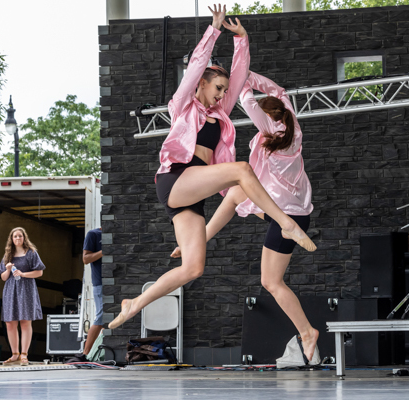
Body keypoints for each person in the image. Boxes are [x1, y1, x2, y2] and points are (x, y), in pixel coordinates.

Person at [109, 4, 316, 330]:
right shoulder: (182, 105)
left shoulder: (220, 112)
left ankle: (134, 303)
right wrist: (214, 30)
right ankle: (286, 223)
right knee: (241, 171)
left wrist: (242, 40)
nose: (222, 94)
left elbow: (238, 78)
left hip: (194, 193)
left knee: (193, 269)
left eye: (223, 90)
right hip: (177, 178)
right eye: (216, 88)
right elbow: (194, 66)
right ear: (202, 84)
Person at [172, 71, 319, 363]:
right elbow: (278, 88)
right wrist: (248, 75)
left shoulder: (270, 130)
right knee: (236, 195)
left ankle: (307, 333)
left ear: (267, 117)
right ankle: (198, 239)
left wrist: (240, 74)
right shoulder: (291, 124)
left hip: (286, 217)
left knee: (272, 282)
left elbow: (245, 97)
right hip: (289, 210)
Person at [0, 227, 46, 366]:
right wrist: (8, 269)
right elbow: (3, 277)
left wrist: (23, 274)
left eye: (20, 236)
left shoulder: (31, 253)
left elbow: (39, 272)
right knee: (10, 322)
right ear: (11, 239)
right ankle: (15, 354)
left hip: (26, 289)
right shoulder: (8, 254)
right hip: (11, 290)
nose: (18, 238)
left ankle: (24, 354)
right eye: (15, 236)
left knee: (25, 321)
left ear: (24, 237)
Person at [67, 227, 103, 363]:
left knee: (111, 319)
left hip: (117, 283)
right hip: (100, 282)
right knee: (101, 317)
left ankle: (98, 352)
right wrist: (103, 252)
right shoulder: (93, 234)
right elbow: (86, 258)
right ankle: (85, 353)